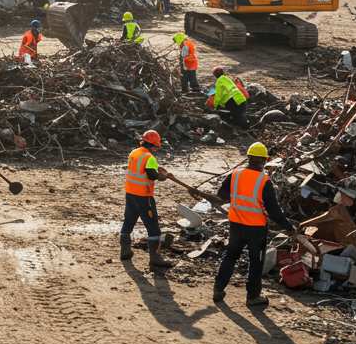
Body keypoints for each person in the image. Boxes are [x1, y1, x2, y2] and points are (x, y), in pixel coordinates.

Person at [186, 142, 296, 307]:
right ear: (264, 161)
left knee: (230, 256)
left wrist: (205, 195)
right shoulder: (264, 181)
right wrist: (288, 227)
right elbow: (273, 211)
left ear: (249, 158)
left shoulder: (235, 175)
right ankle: (253, 296)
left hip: (236, 225)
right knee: (255, 262)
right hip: (256, 229)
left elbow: (222, 197)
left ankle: (218, 289)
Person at [120, 130, 174, 270]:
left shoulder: (134, 152)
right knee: (153, 228)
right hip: (144, 197)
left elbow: (141, 169)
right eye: (157, 146)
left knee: (129, 221)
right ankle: (155, 259)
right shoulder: (149, 157)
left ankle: (125, 251)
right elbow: (151, 175)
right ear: (154, 145)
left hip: (130, 193)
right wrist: (163, 176)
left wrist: (157, 168)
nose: (157, 148)